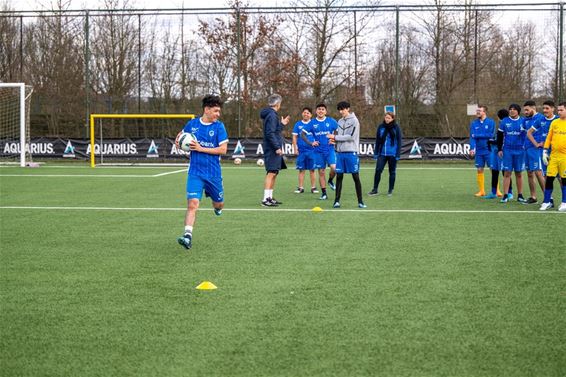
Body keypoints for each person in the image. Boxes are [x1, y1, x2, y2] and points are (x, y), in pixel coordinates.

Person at [176, 95, 228, 250]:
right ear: (207, 109)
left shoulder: (219, 127)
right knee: (192, 204)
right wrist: (179, 143)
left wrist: (200, 148)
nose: (218, 114)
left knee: (219, 204)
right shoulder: (191, 125)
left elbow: (223, 150)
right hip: (195, 173)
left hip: (213, 174)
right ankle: (187, 236)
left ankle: (217, 208)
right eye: (216, 111)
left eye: (219, 111)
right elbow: (180, 139)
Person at [326, 101, 366, 208]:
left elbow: (350, 137)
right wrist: (334, 142)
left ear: (348, 109)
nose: (341, 111)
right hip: (340, 154)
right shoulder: (339, 121)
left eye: (343, 109)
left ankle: (360, 201)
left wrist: (334, 137)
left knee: (356, 177)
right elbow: (340, 137)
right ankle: (336, 201)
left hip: (351, 153)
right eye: (339, 109)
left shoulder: (355, 121)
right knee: (339, 177)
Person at [301, 103, 338, 200]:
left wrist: (334, 139)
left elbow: (339, 131)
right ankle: (324, 193)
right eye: (319, 109)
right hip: (318, 151)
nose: (321, 111)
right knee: (321, 172)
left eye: (322, 109)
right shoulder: (312, 123)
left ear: (326, 111)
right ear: (316, 111)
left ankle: (330, 180)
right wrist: (311, 143)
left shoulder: (331, 121)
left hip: (329, 149)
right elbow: (302, 134)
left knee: (334, 168)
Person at [260, 93, 290, 207]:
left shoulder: (271, 114)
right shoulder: (272, 115)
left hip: (273, 147)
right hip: (272, 148)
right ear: (278, 103)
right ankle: (265, 199)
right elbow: (270, 133)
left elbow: (275, 130)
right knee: (271, 172)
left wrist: (282, 124)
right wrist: (277, 147)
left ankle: (270, 197)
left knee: (275, 172)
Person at [527, 100, 558, 206]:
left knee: (561, 177)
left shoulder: (558, 120)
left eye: (547, 108)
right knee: (545, 176)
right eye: (543, 108)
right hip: (544, 152)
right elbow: (529, 132)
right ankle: (550, 199)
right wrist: (536, 144)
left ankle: (564, 201)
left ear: (553, 109)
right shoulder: (540, 120)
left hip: (557, 152)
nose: (544, 110)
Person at [497, 103, 527, 203]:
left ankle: (520, 195)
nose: (512, 111)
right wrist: (499, 149)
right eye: (510, 109)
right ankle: (505, 195)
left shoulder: (523, 121)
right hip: (508, 150)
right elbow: (500, 136)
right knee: (507, 173)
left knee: (519, 173)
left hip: (520, 150)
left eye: (514, 109)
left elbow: (528, 134)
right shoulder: (504, 121)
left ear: (518, 111)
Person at [539, 101, 566, 212]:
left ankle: (564, 202)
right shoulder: (554, 123)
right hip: (553, 156)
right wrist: (545, 151)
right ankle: (546, 202)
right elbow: (549, 138)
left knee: (564, 180)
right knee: (549, 179)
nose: (559, 112)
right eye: (558, 110)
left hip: (565, 157)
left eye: (561, 110)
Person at [369, 112, 402, 196]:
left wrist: (397, 154)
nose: (387, 119)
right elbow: (378, 141)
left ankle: (390, 190)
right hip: (382, 153)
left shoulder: (396, 127)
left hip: (393, 154)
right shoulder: (381, 127)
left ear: (392, 119)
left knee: (392, 172)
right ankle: (375, 189)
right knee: (378, 170)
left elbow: (399, 141)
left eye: (389, 118)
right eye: (386, 118)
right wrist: (376, 152)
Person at [468, 105, 496, 197]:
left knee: (493, 170)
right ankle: (481, 191)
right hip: (479, 151)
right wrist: (472, 148)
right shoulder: (473, 123)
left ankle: (496, 191)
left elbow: (490, 135)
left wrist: (477, 135)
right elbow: (472, 137)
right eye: (477, 110)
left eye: (479, 111)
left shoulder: (491, 122)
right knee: (479, 170)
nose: (477, 112)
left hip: (489, 149)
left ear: (484, 112)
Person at [485, 109, 513, 199]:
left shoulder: (507, 125)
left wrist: (490, 140)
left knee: (505, 172)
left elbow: (500, 139)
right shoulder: (501, 124)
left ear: (499, 116)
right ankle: (493, 192)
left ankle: (509, 193)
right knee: (495, 171)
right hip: (495, 153)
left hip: (503, 152)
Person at [522, 100, 546, 204]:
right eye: (524, 110)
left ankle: (548, 197)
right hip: (526, 148)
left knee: (538, 172)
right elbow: (523, 133)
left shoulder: (540, 118)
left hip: (536, 149)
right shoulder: (525, 120)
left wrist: (541, 143)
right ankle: (533, 197)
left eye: (527, 110)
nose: (525, 112)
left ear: (534, 108)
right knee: (529, 173)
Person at [292, 107, 318, 194]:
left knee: (312, 169)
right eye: (304, 112)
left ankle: (313, 188)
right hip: (302, 151)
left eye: (308, 113)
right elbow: (295, 137)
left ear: (311, 115)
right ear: (302, 114)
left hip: (312, 150)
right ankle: (300, 188)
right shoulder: (298, 124)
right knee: (301, 170)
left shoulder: (314, 124)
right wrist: (295, 148)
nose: (306, 114)